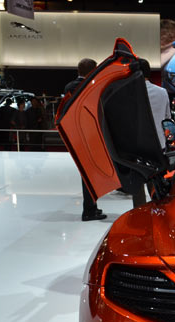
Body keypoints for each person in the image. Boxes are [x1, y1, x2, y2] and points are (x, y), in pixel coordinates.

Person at [65, 57, 106, 221]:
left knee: (87, 173)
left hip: (76, 134)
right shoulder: (94, 86)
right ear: (94, 70)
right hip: (92, 134)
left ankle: (91, 207)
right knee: (90, 174)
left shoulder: (69, 87)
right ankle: (89, 210)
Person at [133, 58, 170, 208]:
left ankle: (140, 217)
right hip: (158, 146)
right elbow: (167, 119)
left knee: (138, 188)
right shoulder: (162, 92)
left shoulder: (129, 94)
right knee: (157, 186)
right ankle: (159, 214)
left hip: (136, 147)